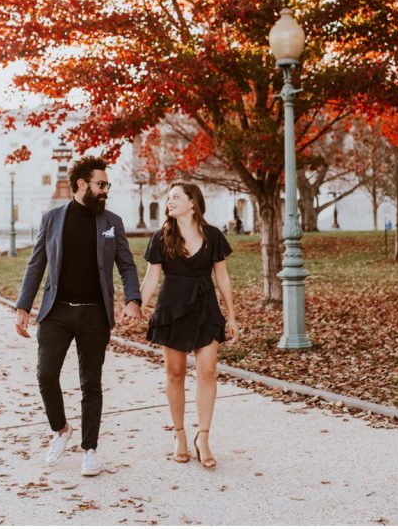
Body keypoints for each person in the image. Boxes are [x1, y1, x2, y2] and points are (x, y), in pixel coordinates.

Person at [14, 156, 142, 477]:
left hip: (94, 316)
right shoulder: (52, 219)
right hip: (56, 312)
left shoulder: (112, 221)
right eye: (101, 184)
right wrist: (22, 307)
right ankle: (60, 429)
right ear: (81, 184)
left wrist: (133, 299)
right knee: (45, 375)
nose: (105, 191)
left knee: (91, 384)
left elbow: (126, 264)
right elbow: (36, 265)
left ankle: (90, 450)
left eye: (107, 185)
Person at [139, 182, 239, 469]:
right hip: (172, 308)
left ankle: (203, 437)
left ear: (193, 203)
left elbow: (223, 278)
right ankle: (180, 435)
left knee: (208, 372)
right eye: (168, 198)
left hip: (205, 307)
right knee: (175, 373)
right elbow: (151, 279)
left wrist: (231, 315)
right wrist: (136, 305)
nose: (169, 202)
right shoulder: (161, 238)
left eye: (176, 198)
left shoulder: (213, 236)